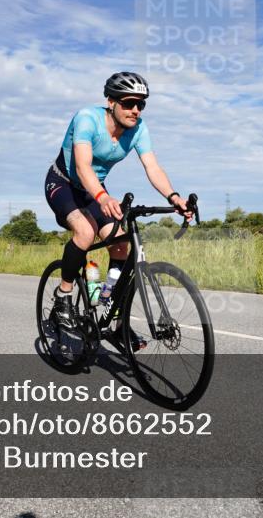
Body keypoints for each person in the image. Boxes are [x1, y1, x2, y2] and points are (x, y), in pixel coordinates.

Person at [44, 72, 192, 333]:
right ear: (110, 101)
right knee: (85, 232)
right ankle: (63, 295)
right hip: (63, 184)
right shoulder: (87, 118)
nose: (135, 110)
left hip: (94, 191)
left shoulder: (138, 129)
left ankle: (110, 303)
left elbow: (152, 167)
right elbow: (82, 166)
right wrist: (102, 197)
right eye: (128, 103)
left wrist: (174, 197)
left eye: (141, 104)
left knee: (122, 244)